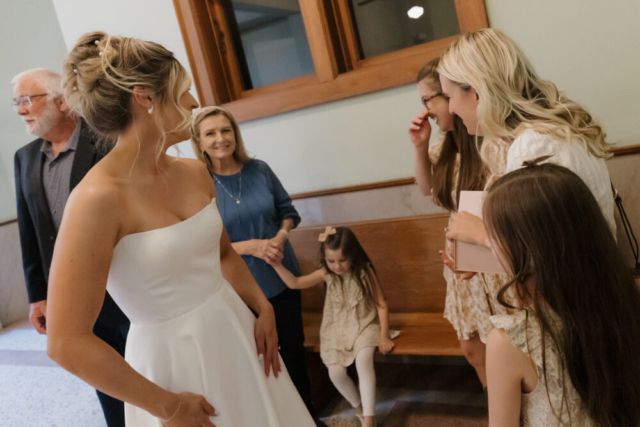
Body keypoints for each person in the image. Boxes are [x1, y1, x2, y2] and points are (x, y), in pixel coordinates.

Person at [46, 31, 315, 427]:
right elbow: (65, 342)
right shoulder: (95, 200)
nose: (193, 103)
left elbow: (222, 253)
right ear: (145, 97)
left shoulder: (192, 170)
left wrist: (261, 305)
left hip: (235, 331)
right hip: (171, 363)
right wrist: (167, 406)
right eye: (184, 90)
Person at [190, 106, 325, 426]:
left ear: (235, 134)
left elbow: (288, 211)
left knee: (293, 350)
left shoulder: (259, 169)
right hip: (238, 288)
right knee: (259, 360)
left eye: (226, 130)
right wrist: (249, 246)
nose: (220, 139)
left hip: (282, 276)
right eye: (210, 133)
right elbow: (199, 243)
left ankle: (307, 417)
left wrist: (280, 236)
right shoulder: (198, 182)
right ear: (198, 141)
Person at [479, 163, 640, 427]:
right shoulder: (622, 301)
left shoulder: (510, 342)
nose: (488, 243)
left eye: (493, 235)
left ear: (529, 248)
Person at [12, 68, 129, 426]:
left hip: (124, 284)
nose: (20, 110)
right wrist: (38, 295)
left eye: (27, 99)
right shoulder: (25, 157)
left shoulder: (108, 140)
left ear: (62, 101)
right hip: (72, 294)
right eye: (16, 102)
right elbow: (30, 232)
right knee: (104, 378)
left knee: (147, 366)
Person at [437, 28, 615, 253]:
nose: (451, 109)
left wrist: (481, 235)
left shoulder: (532, 147)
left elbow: (544, 255)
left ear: (476, 92)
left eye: (449, 97)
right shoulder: (555, 132)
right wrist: (488, 256)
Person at [409, 58, 512, 388]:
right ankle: (495, 406)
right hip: (461, 260)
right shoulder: (446, 145)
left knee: (505, 345)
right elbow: (427, 189)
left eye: (429, 99)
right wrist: (420, 146)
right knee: (471, 347)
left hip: (492, 255)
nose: (425, 109)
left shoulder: (492, 143)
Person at [273, 227, 396, 427]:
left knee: (363, 360)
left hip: (365, 325)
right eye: (331, 261)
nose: (337, 266)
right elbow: (295, 283)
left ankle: (369, 419)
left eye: (342, 260)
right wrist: (277, 265)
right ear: (324, 259)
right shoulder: (325, 274)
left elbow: (381, 304)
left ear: (352, 256)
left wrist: (384, 335)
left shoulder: (364, 272)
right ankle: (359, 407)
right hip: (337, 330)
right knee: (335, 373)